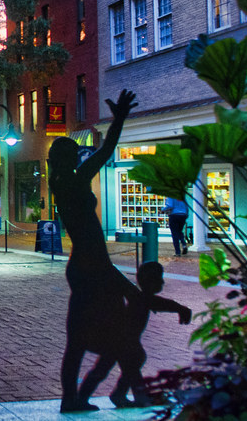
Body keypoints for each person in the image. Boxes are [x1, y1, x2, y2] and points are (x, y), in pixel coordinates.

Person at [49, 89, 139, 413]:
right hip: (92, 266)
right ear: (68, 159)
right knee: (115, 332)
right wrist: (118, 120)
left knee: (76, 342)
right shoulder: (75, 181)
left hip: (83, 265)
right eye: (75, 153)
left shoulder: (61, 183)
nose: (79, 157)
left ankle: (71, 398)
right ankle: (103, 392)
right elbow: (106, 151)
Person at [77, 262, 192, 408]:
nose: (162, 282)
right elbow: (159, 303)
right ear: (150, 282)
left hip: (123, 341)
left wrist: (179, 309)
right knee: (122, 365)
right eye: (159, 279)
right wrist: (180, 309)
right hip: (121, 341)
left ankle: (118, 394)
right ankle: (132, 396)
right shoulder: (141, 298)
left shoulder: (141, 297)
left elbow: (159, 303)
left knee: (118, 366)